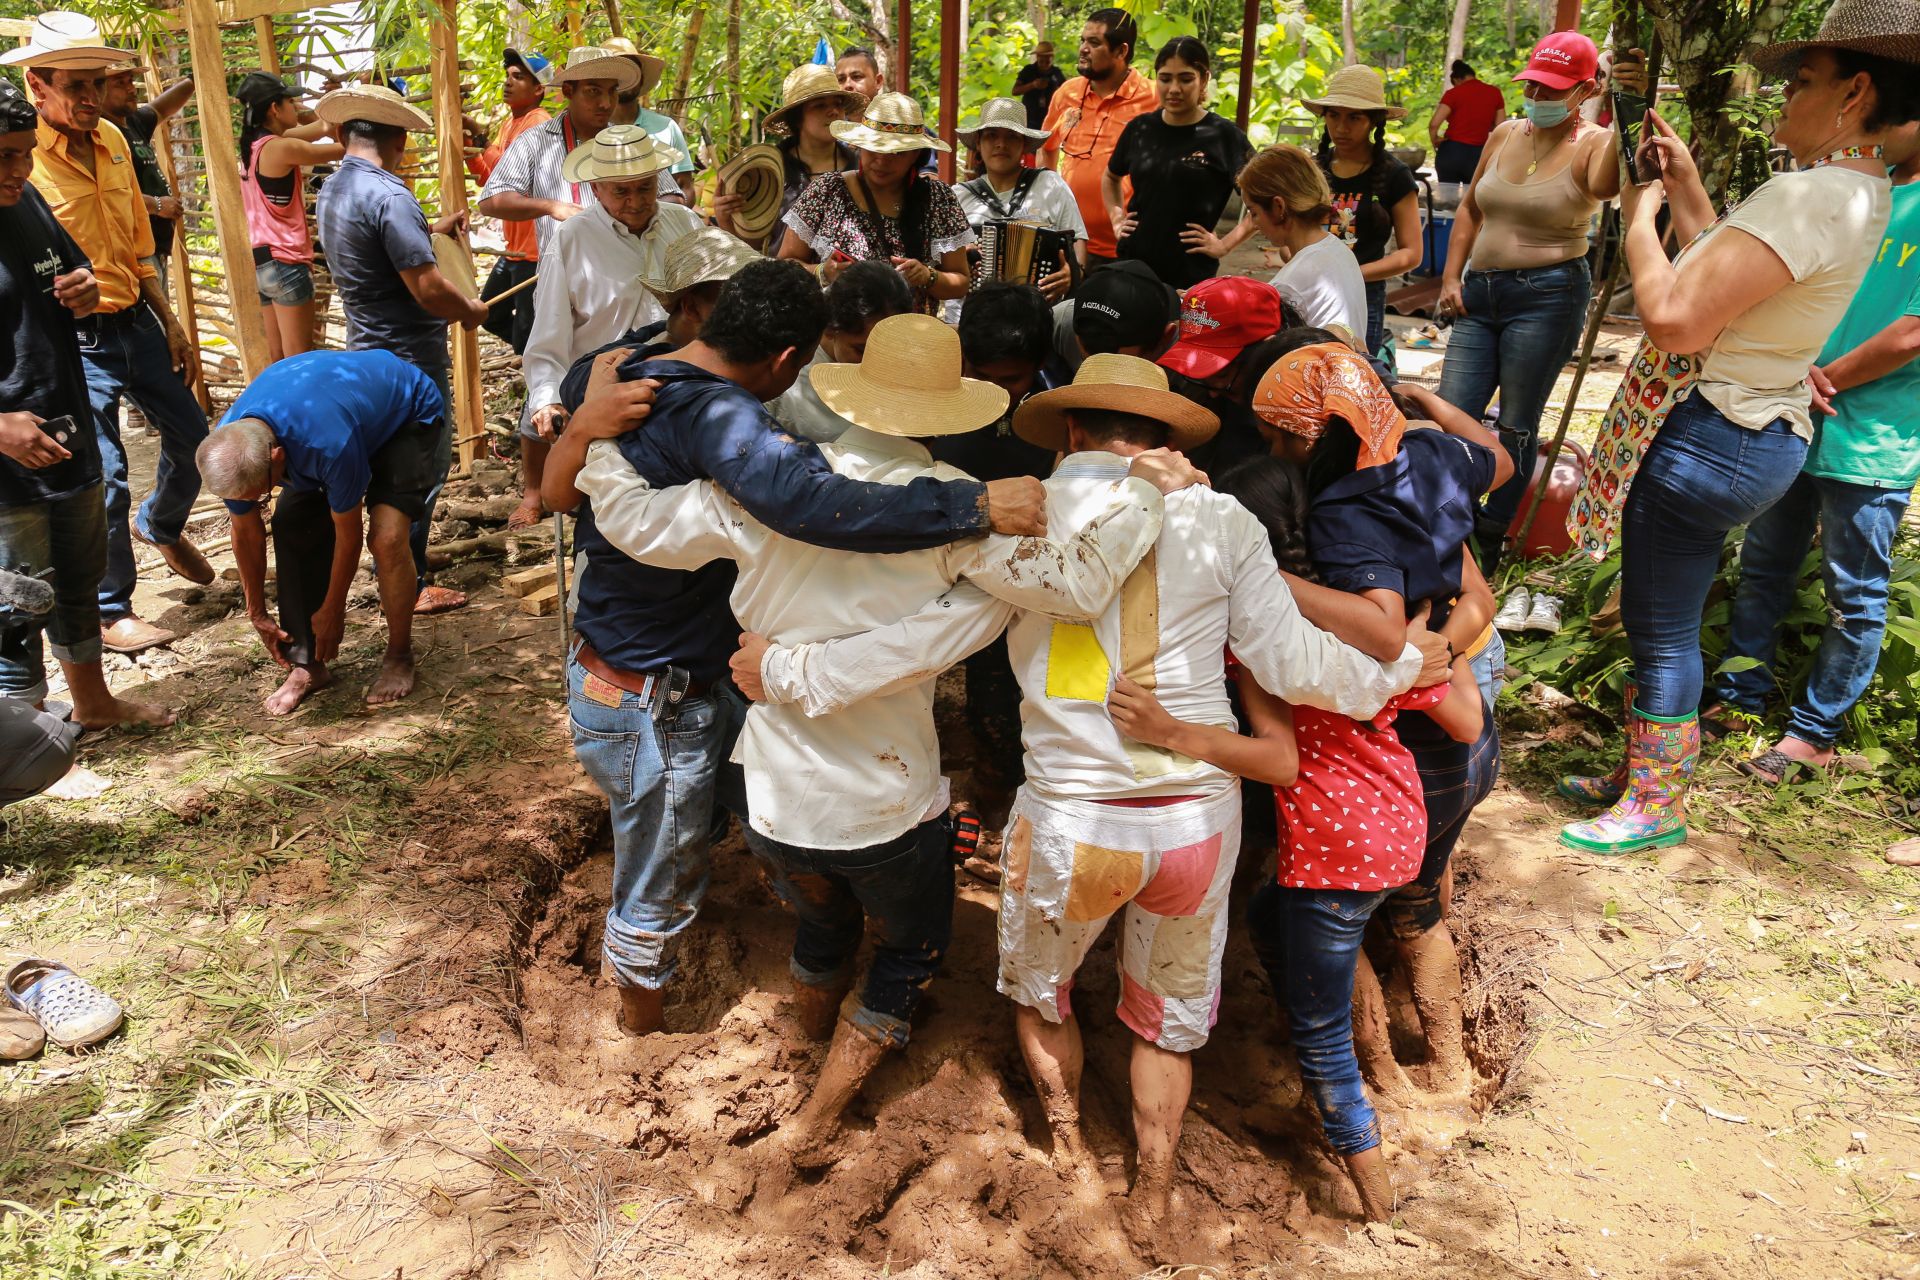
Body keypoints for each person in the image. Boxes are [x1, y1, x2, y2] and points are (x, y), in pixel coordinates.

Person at [729, 352, 1430, 1241]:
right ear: (1167, 440)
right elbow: (1292, 663)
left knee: (1042, 995)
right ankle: (1155, 1187)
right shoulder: (1220, 519)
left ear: (1070, 432)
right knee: (1168, 1023)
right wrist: (1396, 671)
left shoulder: (1018, 517)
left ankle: (1066, 1149)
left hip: (1070, 822)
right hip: (1195, 825)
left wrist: (787, 670)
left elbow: (929, 643)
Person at [576, 313, 1189, 1175]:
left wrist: (597, 437)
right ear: (954, 412)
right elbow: (1077, 583)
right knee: (908, 946)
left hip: (773, 790)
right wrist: (1148, 490)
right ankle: (821, 1111)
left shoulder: (766, 485)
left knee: (821, 919)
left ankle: (803, 1044)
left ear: (849, 396)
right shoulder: (958, 510)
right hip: (886, 797)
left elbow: (636, 522)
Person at [536, 259, 1049, 1039]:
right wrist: (977, 503)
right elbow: (814, 508)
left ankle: (748, 1001)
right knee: (666, 876)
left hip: (642, 683)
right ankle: (639, 1035)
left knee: (692, 848)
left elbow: (624, 515)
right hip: (682, 701)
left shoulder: (626, 381)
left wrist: (584, 433)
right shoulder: (755, 456)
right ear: (786, 361)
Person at [1559, 3, 1920, 854]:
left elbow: (1681, 319)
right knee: (1669, 614)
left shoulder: (1804, 193)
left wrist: (1639, 216)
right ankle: (1644, 773)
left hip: (1713, 431)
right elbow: (1742, 280)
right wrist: (1685, 191)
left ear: (1855, 91)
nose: (1781, 99)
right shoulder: (1864, 195)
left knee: (1660, 620)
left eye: (1800, 82)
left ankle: (1656, 800)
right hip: (1765, 429)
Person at [1108, 451, 1485, 1221]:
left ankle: (1376, 1202)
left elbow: (1279, 762)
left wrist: (1171, 728)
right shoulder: (1371, 610)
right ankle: (1366, 1060)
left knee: (1322, 1037)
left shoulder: (1256, 637)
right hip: (1397, 820)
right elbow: (1462, 714)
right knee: (1266, 920)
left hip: (1334, 843)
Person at [1249, 338, 1506, 1100]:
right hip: (1468, 735)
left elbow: (1385, 629)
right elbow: (1499, 469)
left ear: (1313, 437)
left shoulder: (1341, 519)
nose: (1276, 447)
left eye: (1280, 435)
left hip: (1409, 760)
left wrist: (1264, 578)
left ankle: (1384, 1078)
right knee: (1418, 900)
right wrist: (1427, 404)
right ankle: (1450, 1070)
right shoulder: (1433, 464)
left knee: (1316, 911)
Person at [1706, 124, 1920, 785]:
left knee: (1852, 594)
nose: (1881, 127)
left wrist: (1828, 376)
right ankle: (1739, 702)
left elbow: (1912, 331)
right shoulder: (1865, 193)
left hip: (1873, 433)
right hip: (1795, 414)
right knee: (1764, 568)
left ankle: (1814, 734)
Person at [12, 12, 215, 656]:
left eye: (96, 82)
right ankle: (112, 607)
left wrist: (173, 322)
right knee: (107, 470)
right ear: (38, 86)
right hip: (73, 341)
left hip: (135, 322)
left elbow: (136, 245)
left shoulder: (114, 141)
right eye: (75, 85)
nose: (91, 97)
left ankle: (163, 523)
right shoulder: (22, 162)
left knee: (196, 439)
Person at [0, 83, 172, 738]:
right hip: (6, 467)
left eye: (23, 154)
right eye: (6, 157)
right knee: (17, 605)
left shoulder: (27, 201)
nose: (21, 169)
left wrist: (84, 287)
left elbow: (78, 272)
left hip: (65, 429)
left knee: (78, 582)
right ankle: (26, 741)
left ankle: (92, 703)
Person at [1435, 31, 1621, 576]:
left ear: (1585, 89)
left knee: (1517, 422)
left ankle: (1493, 532)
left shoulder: (1593, 141)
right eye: (1535, 84)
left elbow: (1610, 183)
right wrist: (1451, 278)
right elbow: (1469, 207)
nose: (1539, 95)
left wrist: (1625, 107)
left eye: (1554, 87)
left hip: (1548, 293)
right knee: (1452, 410)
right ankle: (1450, 520)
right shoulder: (1504, 132)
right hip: (1480, 291)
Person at [312, 83, 488, 617]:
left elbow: (377, 250)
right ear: (398, 142)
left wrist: (430, 230)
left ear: (344, 135)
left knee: (387, 462)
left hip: (365, 349)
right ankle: (406, 579)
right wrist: (471, 312)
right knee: (419, 470)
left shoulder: (333, 189)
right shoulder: (390, 195)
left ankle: (393, 565)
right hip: (411, 359)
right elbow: (428, 288)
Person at [196, 350, 447, 713]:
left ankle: (399, 654)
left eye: (262, 495)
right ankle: (308, 665)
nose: (256, 503)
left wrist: (333, 609)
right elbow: (246, 532)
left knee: (387, 539)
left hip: (405, 414)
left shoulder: (327, 445)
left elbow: (348, 535)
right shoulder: (232, 446)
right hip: (336, 415)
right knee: (290, 523)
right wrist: (257, 612)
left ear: (279, 458)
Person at [516, 127, 701, 529]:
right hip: (604, 396)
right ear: (596, 189)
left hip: (683, 390)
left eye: (645, 188)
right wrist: (547, 399)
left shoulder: (685, 224)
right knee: (607, 510)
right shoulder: (571, 239)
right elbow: (548, 336)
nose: (636, 202)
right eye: (621, 192)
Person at [777, 92, 975, 308]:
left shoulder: (938, 199)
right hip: (837, 337)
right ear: (860, 145)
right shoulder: (827, 190)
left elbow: (961, 281)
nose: (882, 161)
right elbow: (785, 266)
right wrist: (823, 271)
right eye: (874, 148)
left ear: (916, 154)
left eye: (896, 153)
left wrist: (928, 276)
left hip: (911, 335)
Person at [1103, 36, 1254, 291]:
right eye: (1165, 78)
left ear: (1204, 79)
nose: (1174, 88)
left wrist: (1225, 244)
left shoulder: (1224, 136)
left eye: (1185, 79)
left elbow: (1265, 203)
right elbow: (1110, 177)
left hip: (1190, 276)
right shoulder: (1140, 129)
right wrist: (1117, 217)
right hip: (1133, 267)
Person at [476, 45, 641, 260]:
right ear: (568, 91)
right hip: (559, 273)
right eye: (593, 91)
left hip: (622, 268)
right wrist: (550, 206)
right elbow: (491, 200)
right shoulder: (535, 140)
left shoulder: (629, 142)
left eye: (612, 91)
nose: (606, 103)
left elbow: (671, 197)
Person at [1304, 65, 1422, 365]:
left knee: (1353, 377)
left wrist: (1353, 273)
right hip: (1309, 291)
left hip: (1364, 296)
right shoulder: (1310, 170)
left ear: (1374, 121)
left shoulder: (1394, 174)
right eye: (1334, 116)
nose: (1341, 128)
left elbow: (1411, 254)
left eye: (1354, 117)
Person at [234, 72, 341, 364]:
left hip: (262, 261)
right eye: (291, 101)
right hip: (286, 262)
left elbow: (323, 127)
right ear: (274, 108)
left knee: (278, 357)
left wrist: (334, 100)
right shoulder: (282, 147)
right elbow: (346, 147)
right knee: (299, 360)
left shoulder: (255, 146)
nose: (296, 107)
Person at [1042, 8, 1156, 267]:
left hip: (1127, 248)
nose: (1083, 48)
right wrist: (1050, 199)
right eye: (1083, 40)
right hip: (1070, 244)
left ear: (1121, 51)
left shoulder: (1153, 97)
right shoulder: (1067, 93)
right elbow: (1047, 147)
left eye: (1094, 43)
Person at [951, 97, 1086, 307]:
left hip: (1040, 315)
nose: (1001, 144)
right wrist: (960, 262)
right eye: (991, 135)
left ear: (1023, 144)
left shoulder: (1051, 185)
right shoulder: (957, 196)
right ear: (978, 143)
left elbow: (1077, 245)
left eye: (1012, 137)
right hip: (970, 317)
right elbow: (939, 265)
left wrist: (1073, 274)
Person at [714, 64, 862, 253]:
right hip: (782, 278)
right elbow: (753, 248)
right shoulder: (770, 171)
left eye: (838, 103)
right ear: (797, 117)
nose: (833, 111)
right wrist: (726, 219)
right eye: (820, 105)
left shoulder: (860, 167)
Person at [769, 259, 916, 444]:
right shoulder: (787, 368)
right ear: (831, 329)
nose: (875, 364)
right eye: (861, 350)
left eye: (887, 352)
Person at [467, 49, 553, 356]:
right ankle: (531, 358)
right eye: (508, 76)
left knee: (526, 335)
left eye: (517, 77)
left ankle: (536, 381)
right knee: (490, 313)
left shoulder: (538, 123)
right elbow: (493, 181)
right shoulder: (510, 124)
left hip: (533, 251)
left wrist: (482, 142)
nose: (508, 82)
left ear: (538, 88)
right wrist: (474, 154)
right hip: (514, 250)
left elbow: (515, 175)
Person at [1156, 274, 1286, 473]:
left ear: (1267, 351)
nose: (1213, 393)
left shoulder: (1296, 422)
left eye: (1222, 374)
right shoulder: (1211, 398)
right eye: (1200, 374)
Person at [1240, 144, 1368, 340]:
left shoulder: (1291, 283)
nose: (1254, 224)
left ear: (1278, 207)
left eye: (1254, 213)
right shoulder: (1337, 249)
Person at [100, 65, 191, 302]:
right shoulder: (102, 133)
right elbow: (110, 194)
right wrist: (157, 205)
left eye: (130, 81)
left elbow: (162, 106)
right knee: (158, 328)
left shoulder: (133, 122)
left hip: (154, 248)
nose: (131, 89)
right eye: (120, 83)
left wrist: (196, 79)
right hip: (136, 252)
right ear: (97, 90)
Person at [602, 36, 697, 205]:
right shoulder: (593, 129)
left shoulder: (666, 127)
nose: (625, 79)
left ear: (641, 79)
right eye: (618, 72)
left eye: (631, 72)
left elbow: (685, 187)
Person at [1049, 257, 1181, 373]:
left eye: (1114, 366)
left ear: (1164, 340)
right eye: (1085, 358)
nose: (1097, 375)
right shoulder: (1060, 322)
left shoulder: (1185, 362)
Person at [1429, 60, 1506, 184]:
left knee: (1446, 196)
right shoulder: (1494, 93)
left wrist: (1435, 140)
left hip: (1451, 151)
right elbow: (1501, 126)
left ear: (1457, 80)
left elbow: (1434, 124)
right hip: (1478, 154)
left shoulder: (1453, 94)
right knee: (1472, 199)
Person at [1012, 40, 1066, 132]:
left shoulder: (1057, 73)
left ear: (1052, 57)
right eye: (1042, 57)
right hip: (1029, 119)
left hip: (1050, 119)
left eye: (1047, 57)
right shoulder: (1028, 70)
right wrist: (1033, 85)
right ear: (1037, 56)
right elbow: (1015, 91)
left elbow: (1065, 93)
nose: (1044, 61)